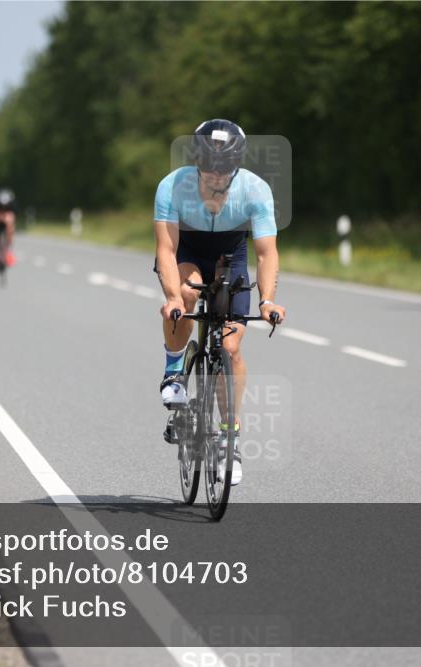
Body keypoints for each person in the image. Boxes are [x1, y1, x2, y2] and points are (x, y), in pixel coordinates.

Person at [153, 119, 286, 486]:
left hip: (231, 255)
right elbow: (165, 248)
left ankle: (230, 439)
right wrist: (171, 297)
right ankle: (174, 372)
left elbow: (266, 253)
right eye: (208, 165)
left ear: (236, 165)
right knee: (189, 293)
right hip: (189, 251)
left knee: (231, 346)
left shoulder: (256, 190)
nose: (215, 173)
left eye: (224, 166)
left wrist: (268, 299)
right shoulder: (172, 186)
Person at [0, 188, 17, 272]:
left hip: (7, 223)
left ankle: (8, 251)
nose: (3, 206)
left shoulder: (13, 205)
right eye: (2, 205)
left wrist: (7, 220)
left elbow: (14, 217)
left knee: (10, 225)